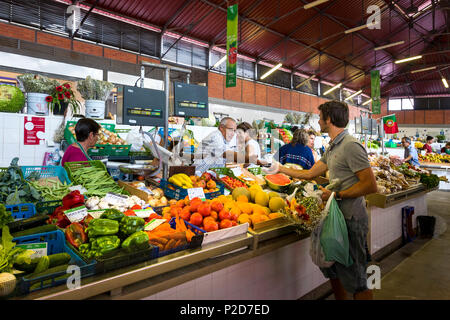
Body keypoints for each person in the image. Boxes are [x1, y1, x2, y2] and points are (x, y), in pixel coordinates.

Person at [269, 100, 378, 300]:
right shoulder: (333, 146)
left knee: (357, 278)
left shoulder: (351, 145)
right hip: (334, 218)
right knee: (333, 270)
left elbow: (371, 186)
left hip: (351, 220)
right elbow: (311, 173)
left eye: (320, 117)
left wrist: (338, 194)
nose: (318, 121)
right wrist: (279, 168)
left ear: (328, 119)